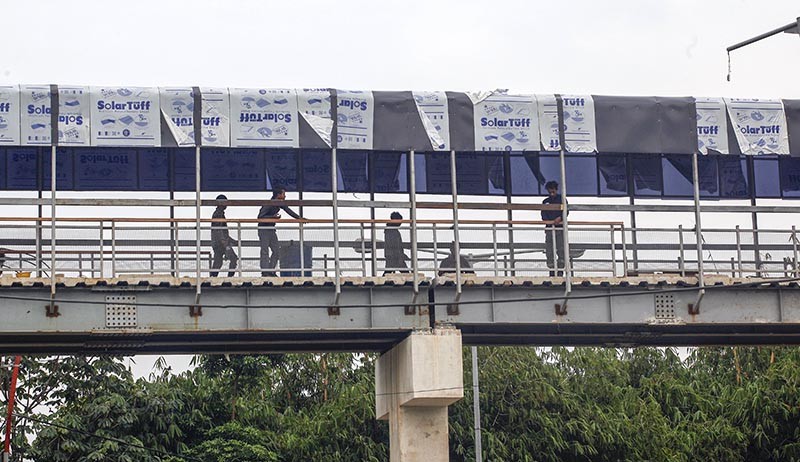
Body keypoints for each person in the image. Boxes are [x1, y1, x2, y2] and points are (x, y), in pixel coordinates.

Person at [258, 186, 302, 277]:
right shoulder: (269, 203)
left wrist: (299, 218)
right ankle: (265, 271)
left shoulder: (279, 203)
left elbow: (288, 210)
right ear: (278, 195)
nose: (285, 196)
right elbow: (260, 217)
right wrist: (273, 217)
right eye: (283, 194)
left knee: (276, 251)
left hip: (271, 229)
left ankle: (271, 271)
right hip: (263, 229)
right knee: (265, 250)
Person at [542, 180, 567, 277]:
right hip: (549, 229)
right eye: (550, 191)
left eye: (553, 191)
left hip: (560, 229)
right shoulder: (545, 202)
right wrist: (550, 221)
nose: (551, 193)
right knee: (549, 250)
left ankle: (560, 271)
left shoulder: (562, 199)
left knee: (561, 249)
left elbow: (566, 212)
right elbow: (543, 215)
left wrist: (560, 218)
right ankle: (552, 271)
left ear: (556, 190)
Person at [210, 194, 238, 277]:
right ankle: (229, 278)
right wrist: (225, 244)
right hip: (221, 243)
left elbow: (221, 232)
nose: (227, 204)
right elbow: (219, 231)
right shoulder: (218, 214)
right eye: (225, 202)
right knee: (233, 258)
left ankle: (212, 278)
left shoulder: (218, 213)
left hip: (218, 243)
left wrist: (232, 241)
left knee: (218, 262)